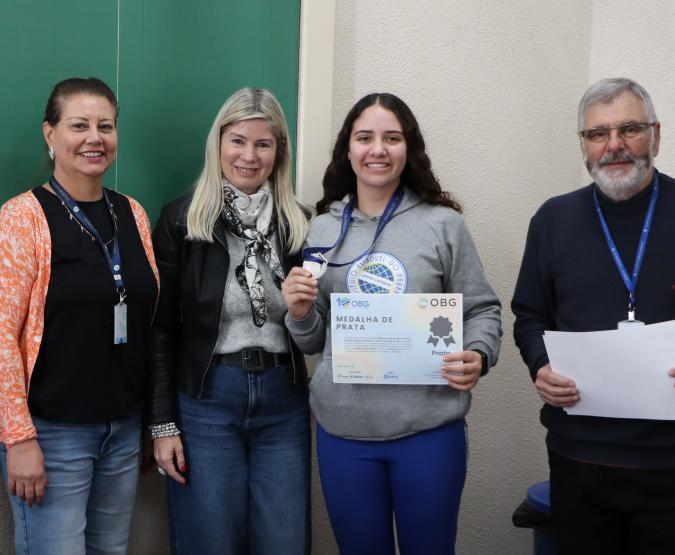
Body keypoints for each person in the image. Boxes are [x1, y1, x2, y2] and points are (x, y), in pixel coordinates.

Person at [282, 92, 501, 555]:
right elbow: (314, 337)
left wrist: (478, 355)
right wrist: (300, 313)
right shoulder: (322, 229)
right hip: (345, 434)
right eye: (365, 138)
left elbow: (482, 309)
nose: (377, 149)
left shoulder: (444, 225)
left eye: (392, 138)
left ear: (410, 148)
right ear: (348, 150)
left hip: (429, 431)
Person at [0, 77, 159, 555]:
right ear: (50, 133)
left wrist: (145, 423)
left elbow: (146, 321)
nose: (94, 138)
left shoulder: (132, 213)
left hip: (121, 428)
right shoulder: (22, 217)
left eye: (106, 126)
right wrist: (18, 438)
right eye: (79, 125)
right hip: (49, 433)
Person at [512, 77, 675, 554]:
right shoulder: (552, 220)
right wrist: (540, 366)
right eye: (597, 134)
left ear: (656, 135)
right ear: (583, 145)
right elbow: (529, 316)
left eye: (629, 128)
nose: (614, 145)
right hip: (578, 456)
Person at [148, 87, 311, 554]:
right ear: (217, 143)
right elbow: (161, 328)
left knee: (284, 542)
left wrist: (303, 311)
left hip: (283, 401)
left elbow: (311, 326)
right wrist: (163, 426)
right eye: (237, 140)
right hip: (207, 399)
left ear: (279, 152)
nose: (249, 155)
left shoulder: (298, 223)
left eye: (263, 144)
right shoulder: (182, 221)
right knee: (210, 541)